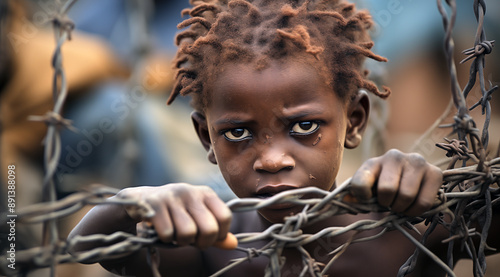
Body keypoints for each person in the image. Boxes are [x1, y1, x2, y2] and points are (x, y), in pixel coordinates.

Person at [68, 0, 500, 276]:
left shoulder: (402, 230)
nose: (272, 159)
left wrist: (437, 189)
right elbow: (87, 246)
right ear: (206, 138)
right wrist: (134, 203)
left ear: (353, 121)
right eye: (238, 133)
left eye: (304, 127)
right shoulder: (216, 244)